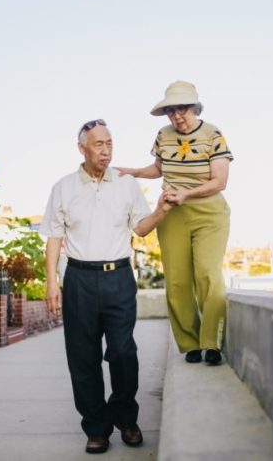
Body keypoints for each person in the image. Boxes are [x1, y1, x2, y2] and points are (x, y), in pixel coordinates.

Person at [42, 119, 172, 454]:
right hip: (79, 280)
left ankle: (126, 418)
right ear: (81, 147)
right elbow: (54, 238)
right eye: (99, 144)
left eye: (110, 143)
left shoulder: (127, 185)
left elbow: (141, 229)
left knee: (123, 352)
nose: (106, 150)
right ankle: (96, 427)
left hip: (118, 278)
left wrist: (159, 211)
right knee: (83, 359)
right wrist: (51, 284)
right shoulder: (63, 187)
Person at [116, 81, 233, 366]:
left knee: (207, 273)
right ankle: (190, 343)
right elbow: (159, 168)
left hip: (209, 213)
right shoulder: (163, 136)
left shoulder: (213, 134)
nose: (177, 116)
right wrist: (133, 172)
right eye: (171, 111)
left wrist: (187, 193)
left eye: (182, 109)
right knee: (178, 281)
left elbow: (220, 181)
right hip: (171, 214)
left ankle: (211, 343)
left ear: (194, 107)